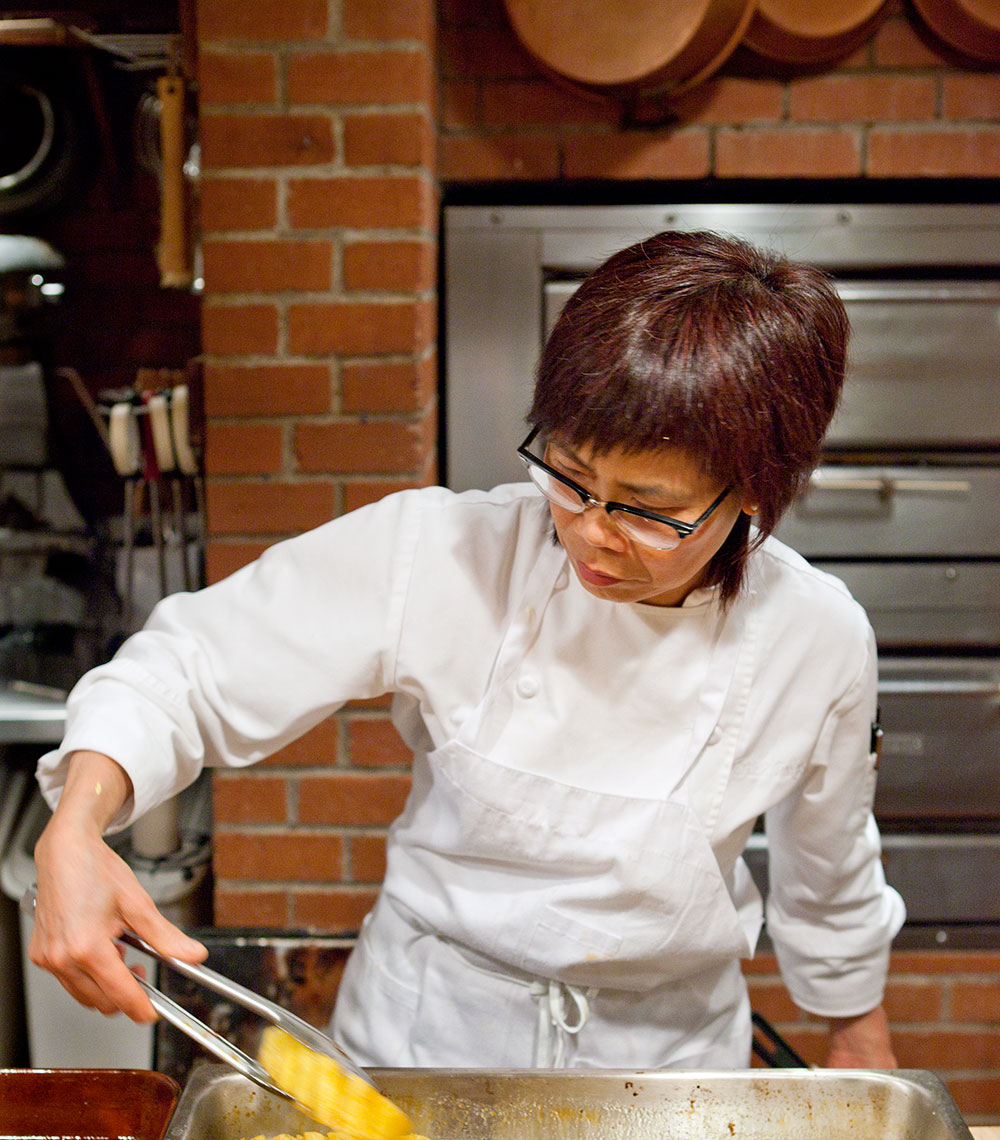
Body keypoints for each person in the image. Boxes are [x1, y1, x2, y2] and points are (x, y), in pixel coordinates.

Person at [30, 229, 904, 1071]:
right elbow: (191, 668)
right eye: (569, 474)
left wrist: (856, 1030)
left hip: (664, 1074)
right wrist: (75, 828)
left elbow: (827, 858)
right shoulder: (442, 553)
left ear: (753, 493)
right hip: (424, 1046)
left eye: (645, 507)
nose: (592, 534)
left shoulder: (815, 638)